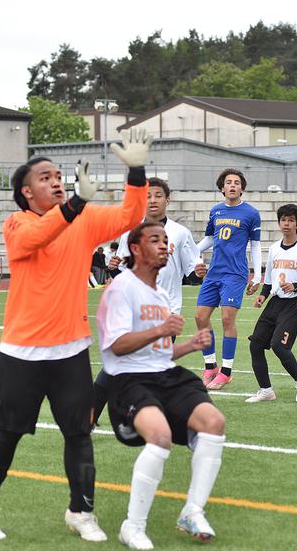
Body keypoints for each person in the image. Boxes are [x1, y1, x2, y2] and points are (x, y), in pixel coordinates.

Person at [0, 129, 151, 543]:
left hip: (70, 350)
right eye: (44, 176)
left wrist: (137, 172)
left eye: (57, 175)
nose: (55, 180)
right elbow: (38, 237)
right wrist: (74, 203)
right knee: (7, 433)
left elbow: (129, 216)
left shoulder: (81, 217)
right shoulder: (17, 223)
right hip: (22, 352)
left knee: (79, 433)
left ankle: (81, 511)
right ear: (26, 192)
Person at [96, 222, 224, 550]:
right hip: (129, 379)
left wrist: (191, 345)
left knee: (213, 423)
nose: (165, 246)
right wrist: (160, 330)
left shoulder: (161, 294)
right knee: (160, 436)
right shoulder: (122, 287)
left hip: (166, 373)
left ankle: (192, 511)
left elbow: (161, 351)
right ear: (135, 250)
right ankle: (132, 526)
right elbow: (118, 346)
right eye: (155, 240)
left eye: (166, 241)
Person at [93, 177, 205, 424]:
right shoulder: (131, 231)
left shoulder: (181, 233)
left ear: (168, 199)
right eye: (147, 196)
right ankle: (92, 414)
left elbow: (192, 269)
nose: (152, 201)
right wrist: (113, 268)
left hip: (166, 311)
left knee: (156, 366)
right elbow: (121, 270)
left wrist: (198, 271)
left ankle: (151, 417)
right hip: (133, 310)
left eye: (157, 195)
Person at [195, 168, 262, 390]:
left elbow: (256, 246)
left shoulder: (251, 213)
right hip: (214, 273)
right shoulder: (215, 212)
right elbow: (209, 239)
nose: (232, 185)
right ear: (222, 187)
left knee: (226, 319)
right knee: (200, 317)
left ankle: (226, 371)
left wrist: (258, 275)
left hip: (235, 274)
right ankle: (210, 365)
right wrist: (191, 254)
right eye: (228, 182)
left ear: (242, 187)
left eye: (236, 182)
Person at [246, 204, 297, 404]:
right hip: (276, 301)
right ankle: (266, 390)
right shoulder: (273, 249)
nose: (286, 224)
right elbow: (270, 277)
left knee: (279, 346)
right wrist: (263, 294)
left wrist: (294, 286)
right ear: (279, 223)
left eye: (291, 220)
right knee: (255, 345)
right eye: (283, 220)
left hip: (296, 303)